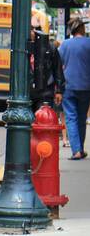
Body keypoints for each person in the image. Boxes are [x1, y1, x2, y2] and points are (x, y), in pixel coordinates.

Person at [60, 17, 90, 160]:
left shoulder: (65, 45)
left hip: (68, 85)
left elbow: (58, 65)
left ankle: (76, 150)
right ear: (82, 29)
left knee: (71, 118)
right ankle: (81, 149)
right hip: (86, 86)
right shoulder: (89, 43)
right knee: (82, 118)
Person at [29, 23, 64, 113]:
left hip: (45, 92)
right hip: (28, 92)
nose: (32, 33)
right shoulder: (23, 48)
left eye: (33, 30)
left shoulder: (51, 48)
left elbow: (58, 69)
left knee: (43, 119)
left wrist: (59, 91)